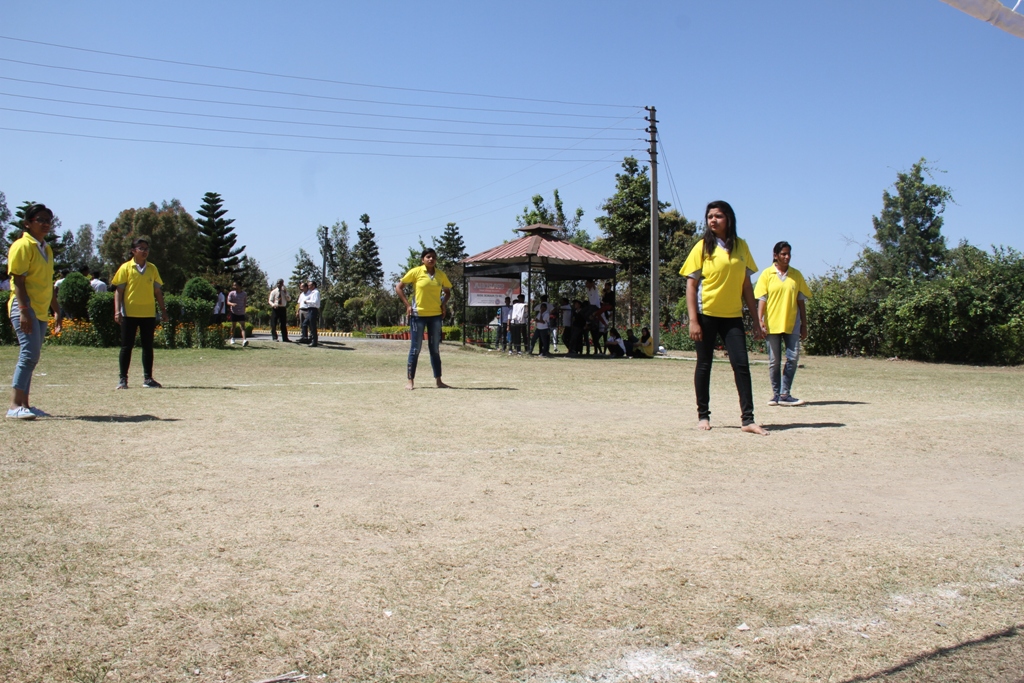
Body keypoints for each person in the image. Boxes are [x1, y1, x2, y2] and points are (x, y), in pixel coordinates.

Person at [681, 200, 768, 435]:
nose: (713, 220)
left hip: (733, 317)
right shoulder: (701, 247)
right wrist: (693, 320)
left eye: (718, 216)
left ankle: (748, 420)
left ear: (728, 218)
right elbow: (691, 285)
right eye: (709, 216)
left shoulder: (742, 246)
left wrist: (756, 320)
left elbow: (746, 287)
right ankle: (703, 416)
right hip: (706, 314)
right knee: (704, 365)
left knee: (741, 365)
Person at [6, 204, 62, 419]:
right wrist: (23, 310)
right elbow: (18, 280)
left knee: (33, 357)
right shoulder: (22, 245)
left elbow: (48, 283)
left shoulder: (46, 248)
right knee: (28, 354)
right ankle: (14, 406)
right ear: (27, 223)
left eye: (48, 220)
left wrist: (56, 310)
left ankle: (25, 405)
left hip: (39, 310)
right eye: (40, 219)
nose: (46, 223)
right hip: (24, 308)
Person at [755, 241, 811, 407]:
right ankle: (776, 395)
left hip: (792, 323)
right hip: (772, 324)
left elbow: (801, 302)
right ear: (775, 255)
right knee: (774, 361)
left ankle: (785, 394)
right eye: (783, 254)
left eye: (789, 254)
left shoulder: (796, 275)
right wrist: (760, 321)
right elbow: (762, 300)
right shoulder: (766, 274)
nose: (787, 257)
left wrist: (804, 324)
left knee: (793, 358)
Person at [112, 237, 169, 390]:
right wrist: (117, 311)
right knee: (126, 347)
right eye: (141, 248)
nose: (145, 251)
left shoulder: (152, 268)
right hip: (129, 314)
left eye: (146, 249)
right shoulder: (125, 268)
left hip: (148, 314)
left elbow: (158, 291)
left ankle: (148, 378)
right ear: (133, 251)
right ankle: (123, 379)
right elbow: (119, 291)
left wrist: (163, 311)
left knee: (147, 347)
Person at [396, 248, 451, 389]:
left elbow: (447, 292)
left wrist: (443, 305)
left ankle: (439, 381)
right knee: (415, 348)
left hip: (435, 316)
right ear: (423, 259)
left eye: (433, 257)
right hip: (418, 316)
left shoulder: (440, 275)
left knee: (435, 349)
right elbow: (399, 287)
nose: (431, 259)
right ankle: (410, 381)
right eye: (428, 257)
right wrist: (408, 305)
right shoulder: (416, 272)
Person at [227, 280, 248, 346]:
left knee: (243, 327)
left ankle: (244, 340)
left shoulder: (244, 294)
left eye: (235, 285)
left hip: (241, 312)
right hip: (234, 312)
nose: (234, 286)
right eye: (233, 285)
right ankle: (232, 338)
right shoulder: (231, 293)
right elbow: (228, 302)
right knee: (233, 326)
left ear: (239, 286)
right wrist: (232, 304)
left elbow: (245, 302)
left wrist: (244, 309)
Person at [304, 281, 321, 347]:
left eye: (309, 285)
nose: (308, 286)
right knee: (305, 324)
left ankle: (314, 342)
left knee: (313, 326)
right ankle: (307, 338)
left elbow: (315, 301)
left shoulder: (316, 292)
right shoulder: (312, 292)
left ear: (313, 285)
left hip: (313, 309)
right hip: (310, 309)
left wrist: (307, 301)